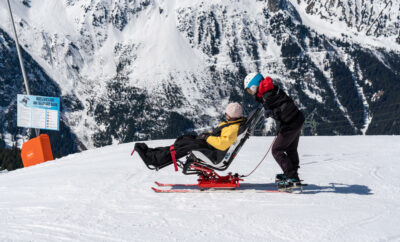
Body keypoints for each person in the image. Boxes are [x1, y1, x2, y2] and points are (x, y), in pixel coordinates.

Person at [134, 103, 245, 170]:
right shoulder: (233, 124)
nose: (225, 115)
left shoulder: (233, 128)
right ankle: (154, 153)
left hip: (213, 152)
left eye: (226, 113)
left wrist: (207, 138)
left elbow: (222, 143)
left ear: (230, 116)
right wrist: (207, 136)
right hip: (211, 146)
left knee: (185, 146)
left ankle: (156, 159)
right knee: (185, 139)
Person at [243, 72, 305, 187]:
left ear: (254, 85)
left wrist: (273, 112)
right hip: (296, 119)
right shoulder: (268, 90)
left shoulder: (267, 95)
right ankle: (292, 174)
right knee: (291, 149)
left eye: (250, 90)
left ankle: (291, 177)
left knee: (277, 150)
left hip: (291, 123)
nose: (251, 93)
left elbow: (281, 106)